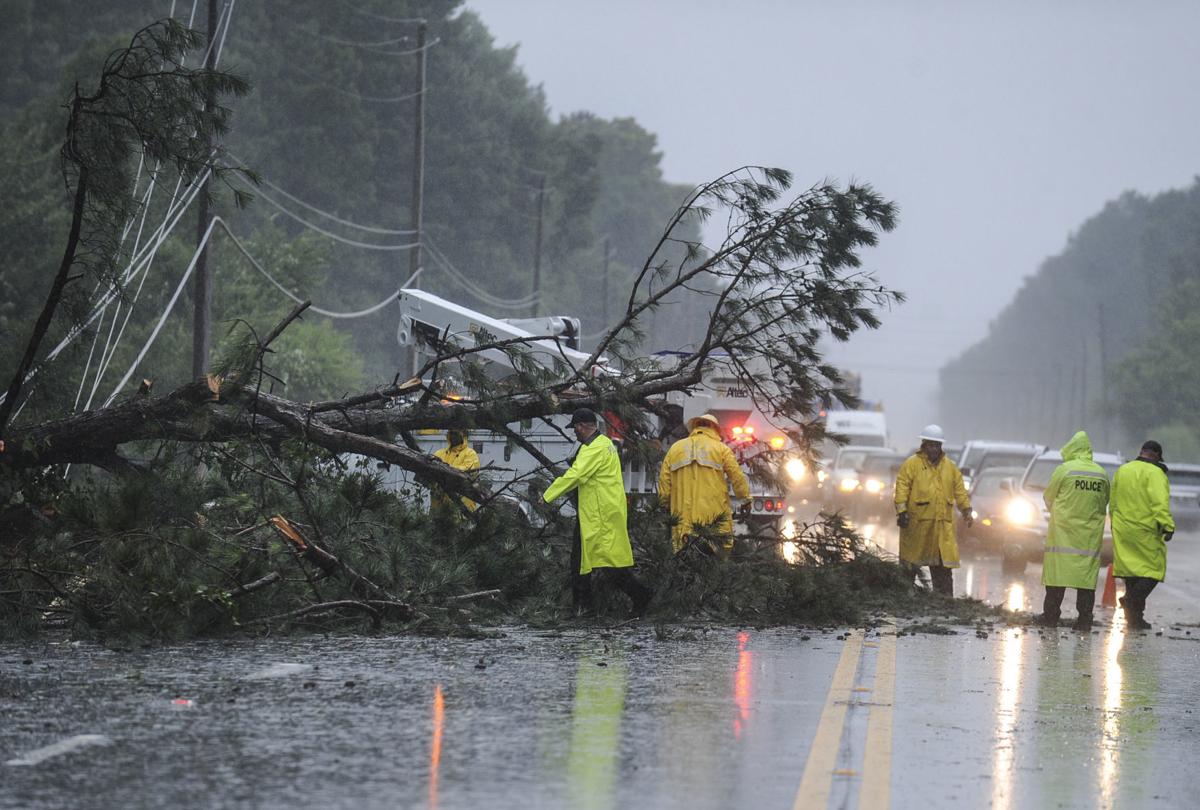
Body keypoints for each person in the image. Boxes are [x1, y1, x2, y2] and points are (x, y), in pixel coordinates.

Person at [544, 408, 654, 616]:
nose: (574, 434)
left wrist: (546, 497)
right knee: (591, 560)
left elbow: (575, 476)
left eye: (574, 429)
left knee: (596, 562)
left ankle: (594, 606)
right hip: (601, 512)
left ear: (581, 426)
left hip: (599, 514)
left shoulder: (593, 448)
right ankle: (588, 607)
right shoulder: (605, 445)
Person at [1037, 431, 1110, 630]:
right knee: (1085, 581)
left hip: (1062, 534)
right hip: (1088, 537)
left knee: (1057, 578)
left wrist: (1059, 513)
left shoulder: (1065, 470)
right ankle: (1084, 620)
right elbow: (1104, 502)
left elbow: (1048, 497)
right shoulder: (1101, 473)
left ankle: (1050, 617)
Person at [894, 424, 972, 596]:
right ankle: (902, 599)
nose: (934, 449)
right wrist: (902, 511)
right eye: (931, 445)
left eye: (937, 445)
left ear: (941, 446)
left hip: (941, 530)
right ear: (924, 445)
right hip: (917, 527)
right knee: (909, 567)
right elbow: (902, 487)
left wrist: (966, 510)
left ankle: (944, 602)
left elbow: (959, 490)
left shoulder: (950, 468)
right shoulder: (911, 465)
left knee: (943, 571)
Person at [657, 413, 751, 555]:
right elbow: (737, 477)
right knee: (714, 563)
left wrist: (664, 505)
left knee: (684, 562)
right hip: (713, 521)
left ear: (694, 427)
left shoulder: (675, 449)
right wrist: (745, 500)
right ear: (714, 429)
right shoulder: (721, 449)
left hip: (683, 523)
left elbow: (664, 482)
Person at [1111, 439, 1175, 631]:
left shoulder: (1124, 470)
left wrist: (1115, 522)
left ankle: (1135, 620)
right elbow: (1159, 503)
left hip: (1123, 528)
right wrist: (1167, 525)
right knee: (1153, 570)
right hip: (1145, 530)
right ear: (1156, 455)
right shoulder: (1156, 473)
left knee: (1131, 574)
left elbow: (1113, 501)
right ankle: (1130, 601)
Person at [432, 430, 481, 511]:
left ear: (463, 436)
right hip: (439, 505)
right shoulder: (440, 453)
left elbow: (467, 471)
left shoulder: (470, 454)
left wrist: (444, 468)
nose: (454, 436)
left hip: (462, 506)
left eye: (457, 433)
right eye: (452, 433)